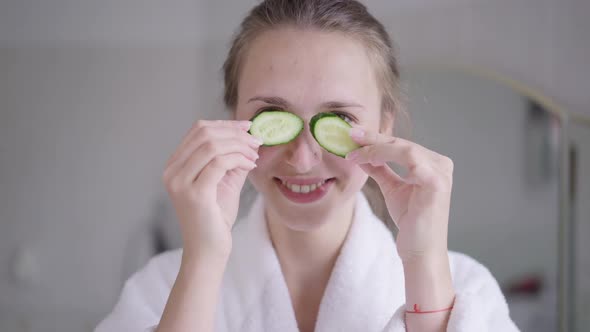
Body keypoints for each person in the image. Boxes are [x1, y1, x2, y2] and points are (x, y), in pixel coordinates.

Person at [95, 1, 520, 331]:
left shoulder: (464, 287)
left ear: (384, 127)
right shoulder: (162, 286)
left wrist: (423, 261)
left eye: (339, 120)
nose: (301, 159)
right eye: (273, 116)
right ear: (232, 121)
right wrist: (204, 259)